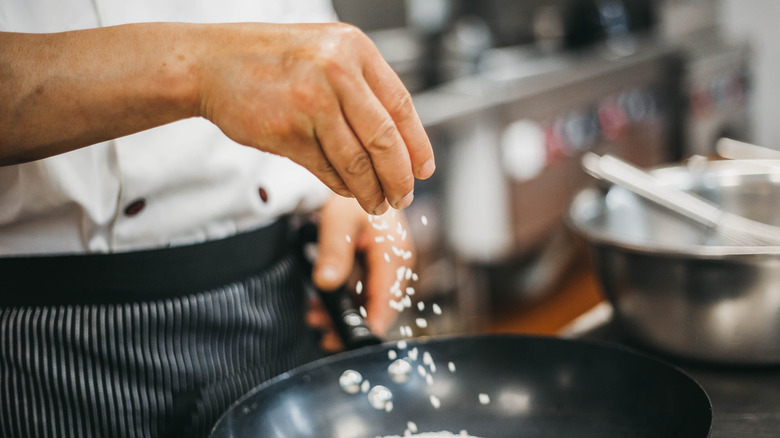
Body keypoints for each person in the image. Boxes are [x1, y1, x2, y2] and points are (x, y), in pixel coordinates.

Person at [0, 1, 434, 437]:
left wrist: (340, 189)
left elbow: (296, 33)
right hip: (42, 345)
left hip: (282, 304)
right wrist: (198, 68)